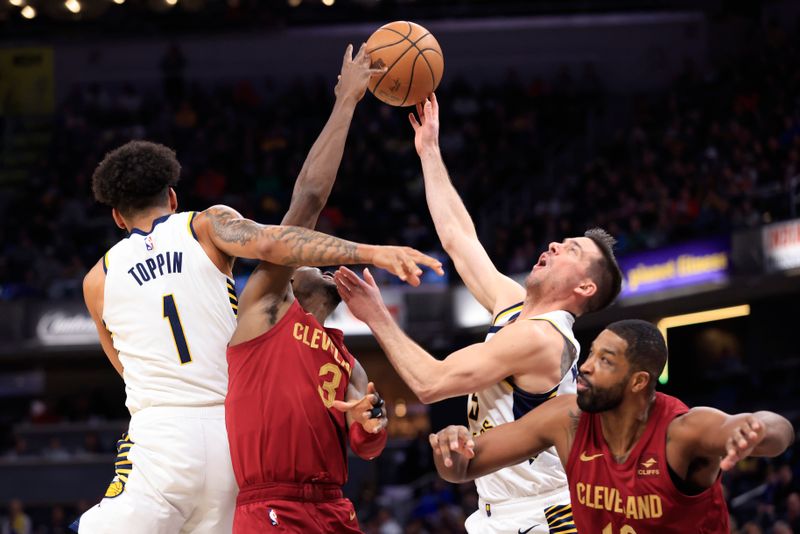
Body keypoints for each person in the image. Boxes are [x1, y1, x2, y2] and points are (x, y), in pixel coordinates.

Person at [74, 46, 441, 534]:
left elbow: (124, 366)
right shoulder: (206, 227)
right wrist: (370, 251)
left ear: (117, 217)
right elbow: (280, 237)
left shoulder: (96, 280)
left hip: (162, 437)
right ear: (174, 198)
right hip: (233, 440)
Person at [332, 93, 623, 533]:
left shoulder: (542, 338)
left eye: (571, 250)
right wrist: (429, 150)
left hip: (542, 513)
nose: (554, 245)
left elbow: (431, 384)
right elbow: (459, 239)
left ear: (585, 287)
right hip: (495, 510)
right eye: (560, 241)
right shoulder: (516, 307)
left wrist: (375, 316)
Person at [224, 43, 398, 533]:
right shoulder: (265, 309)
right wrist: (347, 101)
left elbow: (368, 443)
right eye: (302, 253)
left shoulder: (349, 359)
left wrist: (372, 420)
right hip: (272, 506)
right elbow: (310, 199)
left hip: (335, 508)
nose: (311, 254)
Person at [429, 319, 796, 533]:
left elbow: (781, 431)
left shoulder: (682, 432)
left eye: (605, 361)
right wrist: (452, 449)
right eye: (590, 354)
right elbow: (463, 468)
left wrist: (755, 427)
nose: (585, 367)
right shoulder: (567, 419)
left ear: (637, 382)